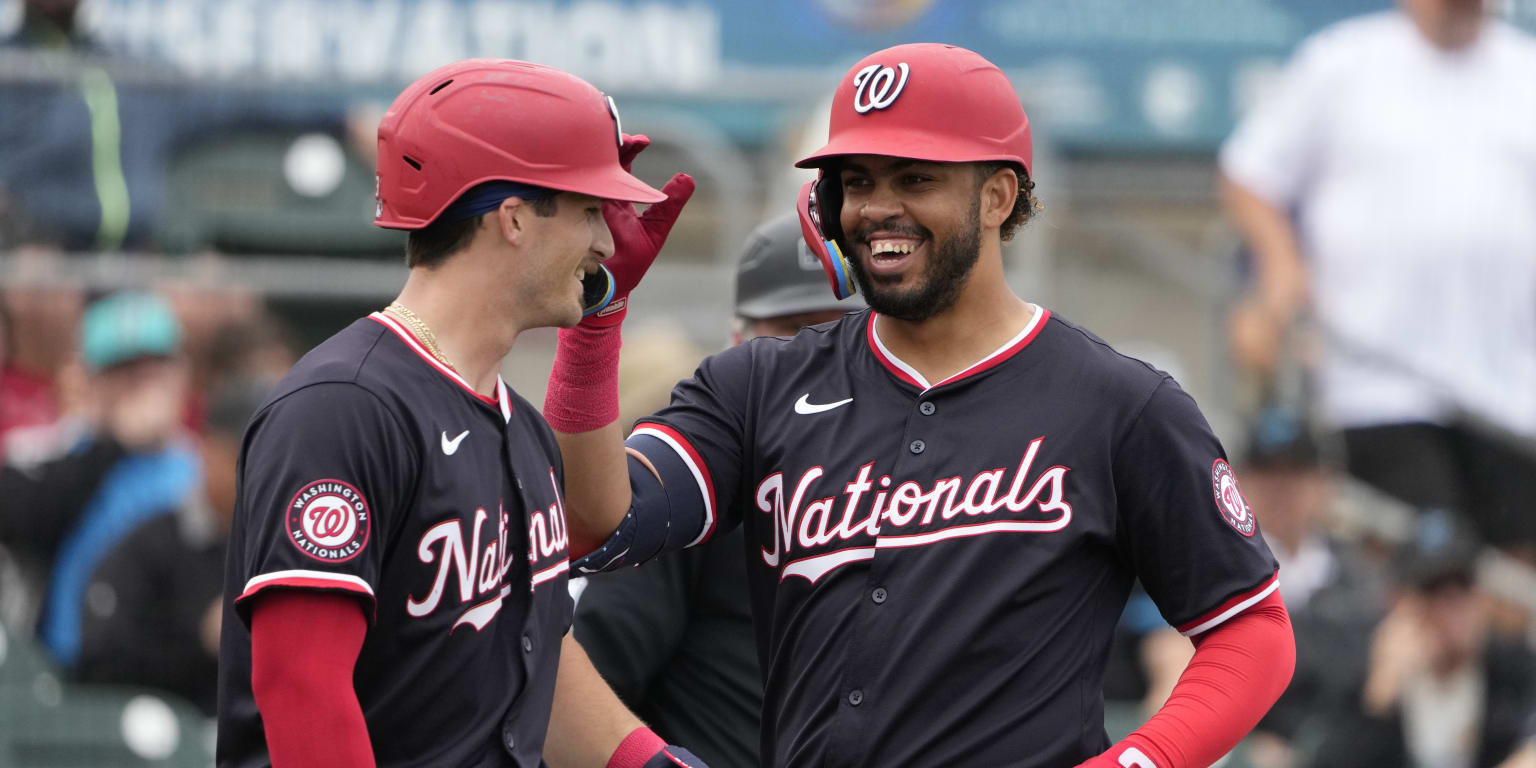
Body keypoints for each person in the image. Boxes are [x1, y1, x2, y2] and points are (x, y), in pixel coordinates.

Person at [548, 43, 1294, 768]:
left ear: (999, 195)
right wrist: (595, 321)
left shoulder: (1118, 404)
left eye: (915, 179)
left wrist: (1141, 760)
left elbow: (1252, 630)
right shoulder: (756, 384)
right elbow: (595, 523)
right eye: (857, 181)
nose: (878, 210)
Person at [215, 59, 704, 768]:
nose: (607, 241)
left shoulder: (519, 422)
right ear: (511, 219)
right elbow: (302, 690)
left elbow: (531, 650)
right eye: (590, 210)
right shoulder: (342, 411)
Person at [1219, 0, 1536, 550]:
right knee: (1417, 576)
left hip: (1510, 390)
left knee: (1510, 588)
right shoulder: (1342, 64)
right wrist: (1280, 269)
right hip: (1378, 383)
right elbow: (1250, 173)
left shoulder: (1525, 71)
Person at [574, 212, 863, 767]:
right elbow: (593, 672)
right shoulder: (695, 487)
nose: (814, 350)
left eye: (837, 329)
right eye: (790, 326)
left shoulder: (929, 485)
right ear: (738, 340)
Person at [0, 291, 198, 657]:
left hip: (169, 674)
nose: (141, 388)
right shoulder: (44, 452)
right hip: (60, 673)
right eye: (123, 372)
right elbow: (21, 517)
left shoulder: (209, 469)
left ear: (180, 373)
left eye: (153, 370)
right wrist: (115, 444)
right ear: (89, 379)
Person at [73, 377, 271, 714]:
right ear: (210, 451)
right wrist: (200, 642)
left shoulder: (291, 545)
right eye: (251, 454)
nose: (269, 471)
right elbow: (99, 661)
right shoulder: (151, 546)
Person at [1309, 518, 1536, 768]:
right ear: (1401, 603)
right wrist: (1378, 700)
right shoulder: (1361, 671)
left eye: (1464, 585)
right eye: (1435, 591)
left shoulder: (1514, 669)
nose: (1455, 604)